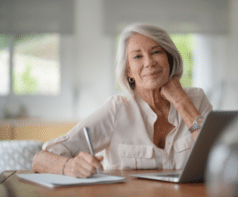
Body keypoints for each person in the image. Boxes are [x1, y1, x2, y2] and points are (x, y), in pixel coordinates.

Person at [32, 23, 212, 178]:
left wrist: (181, 101)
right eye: (137, 56)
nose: (149, 62)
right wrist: (70, 167)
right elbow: (41, 159)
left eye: (156, 52)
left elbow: (219, 155)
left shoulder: (195, 99)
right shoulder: (117, 109)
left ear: (170, 59)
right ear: (128, 71)